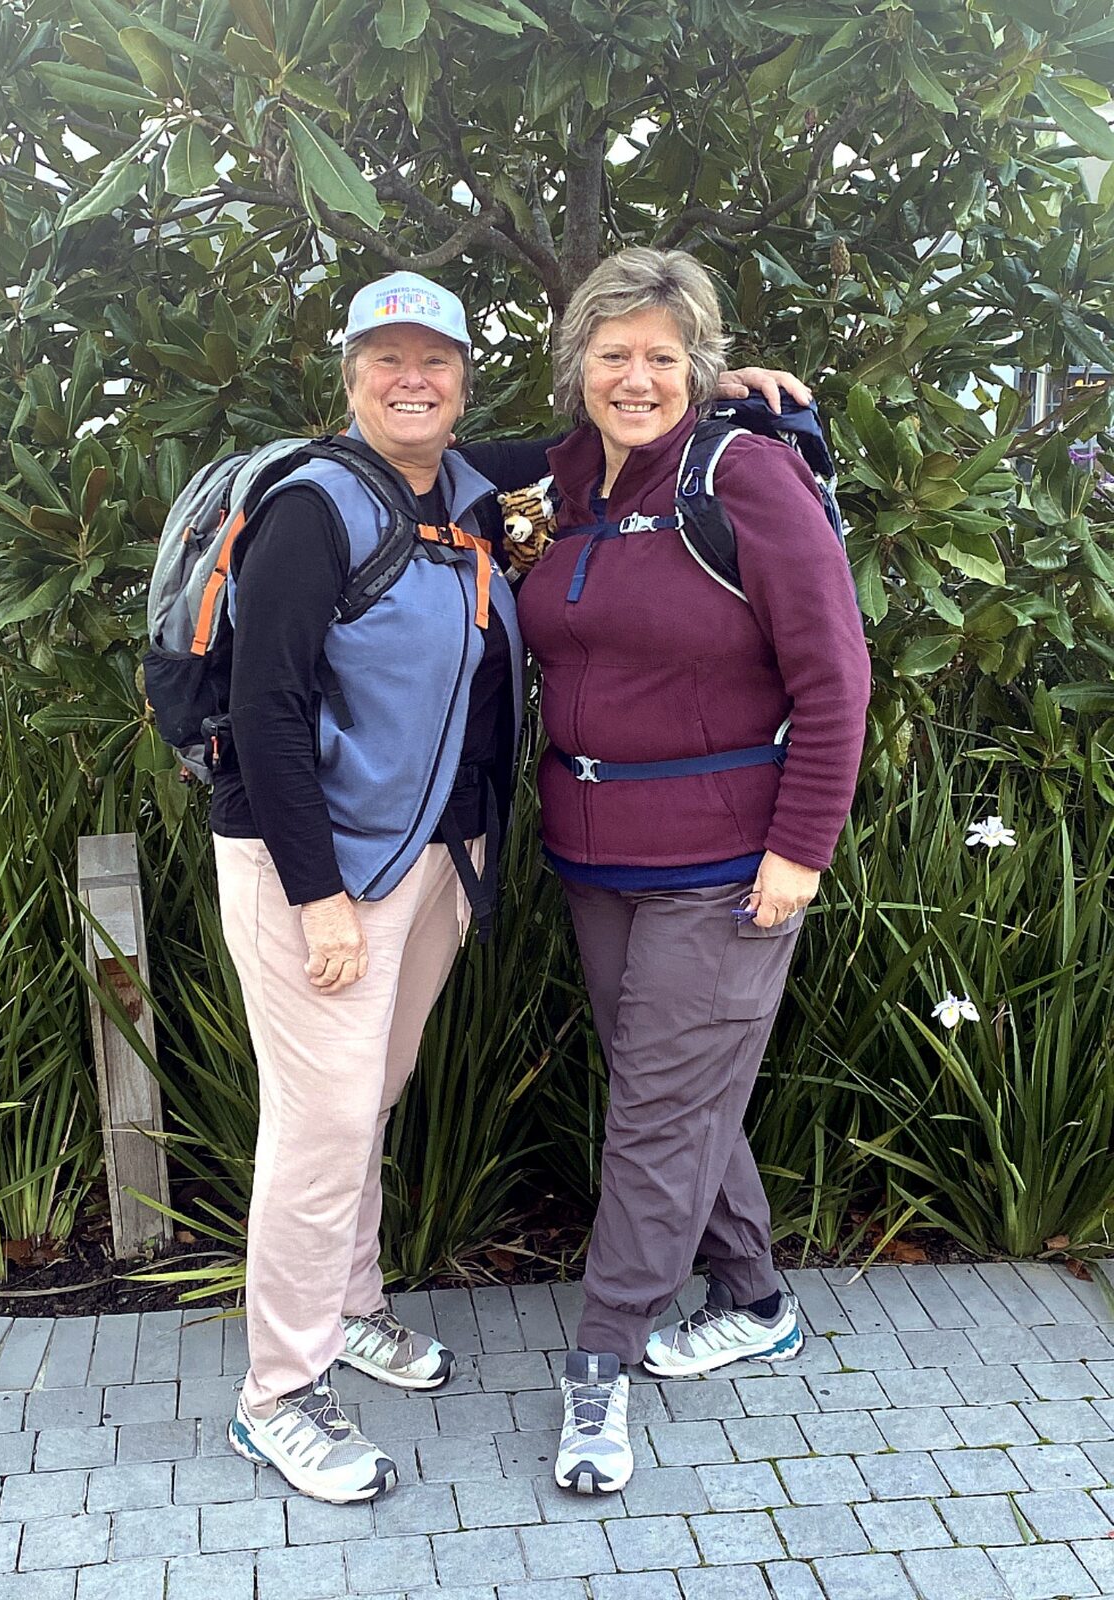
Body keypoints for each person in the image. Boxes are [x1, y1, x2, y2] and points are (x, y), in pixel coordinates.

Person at [207, 266, 802, 1504]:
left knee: (369, 1093)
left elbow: (609, 426)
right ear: (351, 374)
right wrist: (316, 894)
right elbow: (262, 709)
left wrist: (720, 387)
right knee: (318, 1124)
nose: (411, 379)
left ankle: (353, 1304)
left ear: (465, 381)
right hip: (316, 868)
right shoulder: (313, 507)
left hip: (424, 861)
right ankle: (278, 1392)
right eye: (387, 360)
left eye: (435, 361)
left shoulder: (476, 486)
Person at [513, 247, 872, 1494]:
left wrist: (800, 853)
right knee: (673, 1087)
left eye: (664, 355)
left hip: (729, 864)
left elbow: (837, 680)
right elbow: (439, 464)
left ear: (699, 366)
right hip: (592, 853)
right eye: (614, 353)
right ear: (580, 365)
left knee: (658, 1111)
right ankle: (756, 1294)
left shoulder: (748, 476)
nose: (636, 376)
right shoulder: (562, 478)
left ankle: (600, 1366)